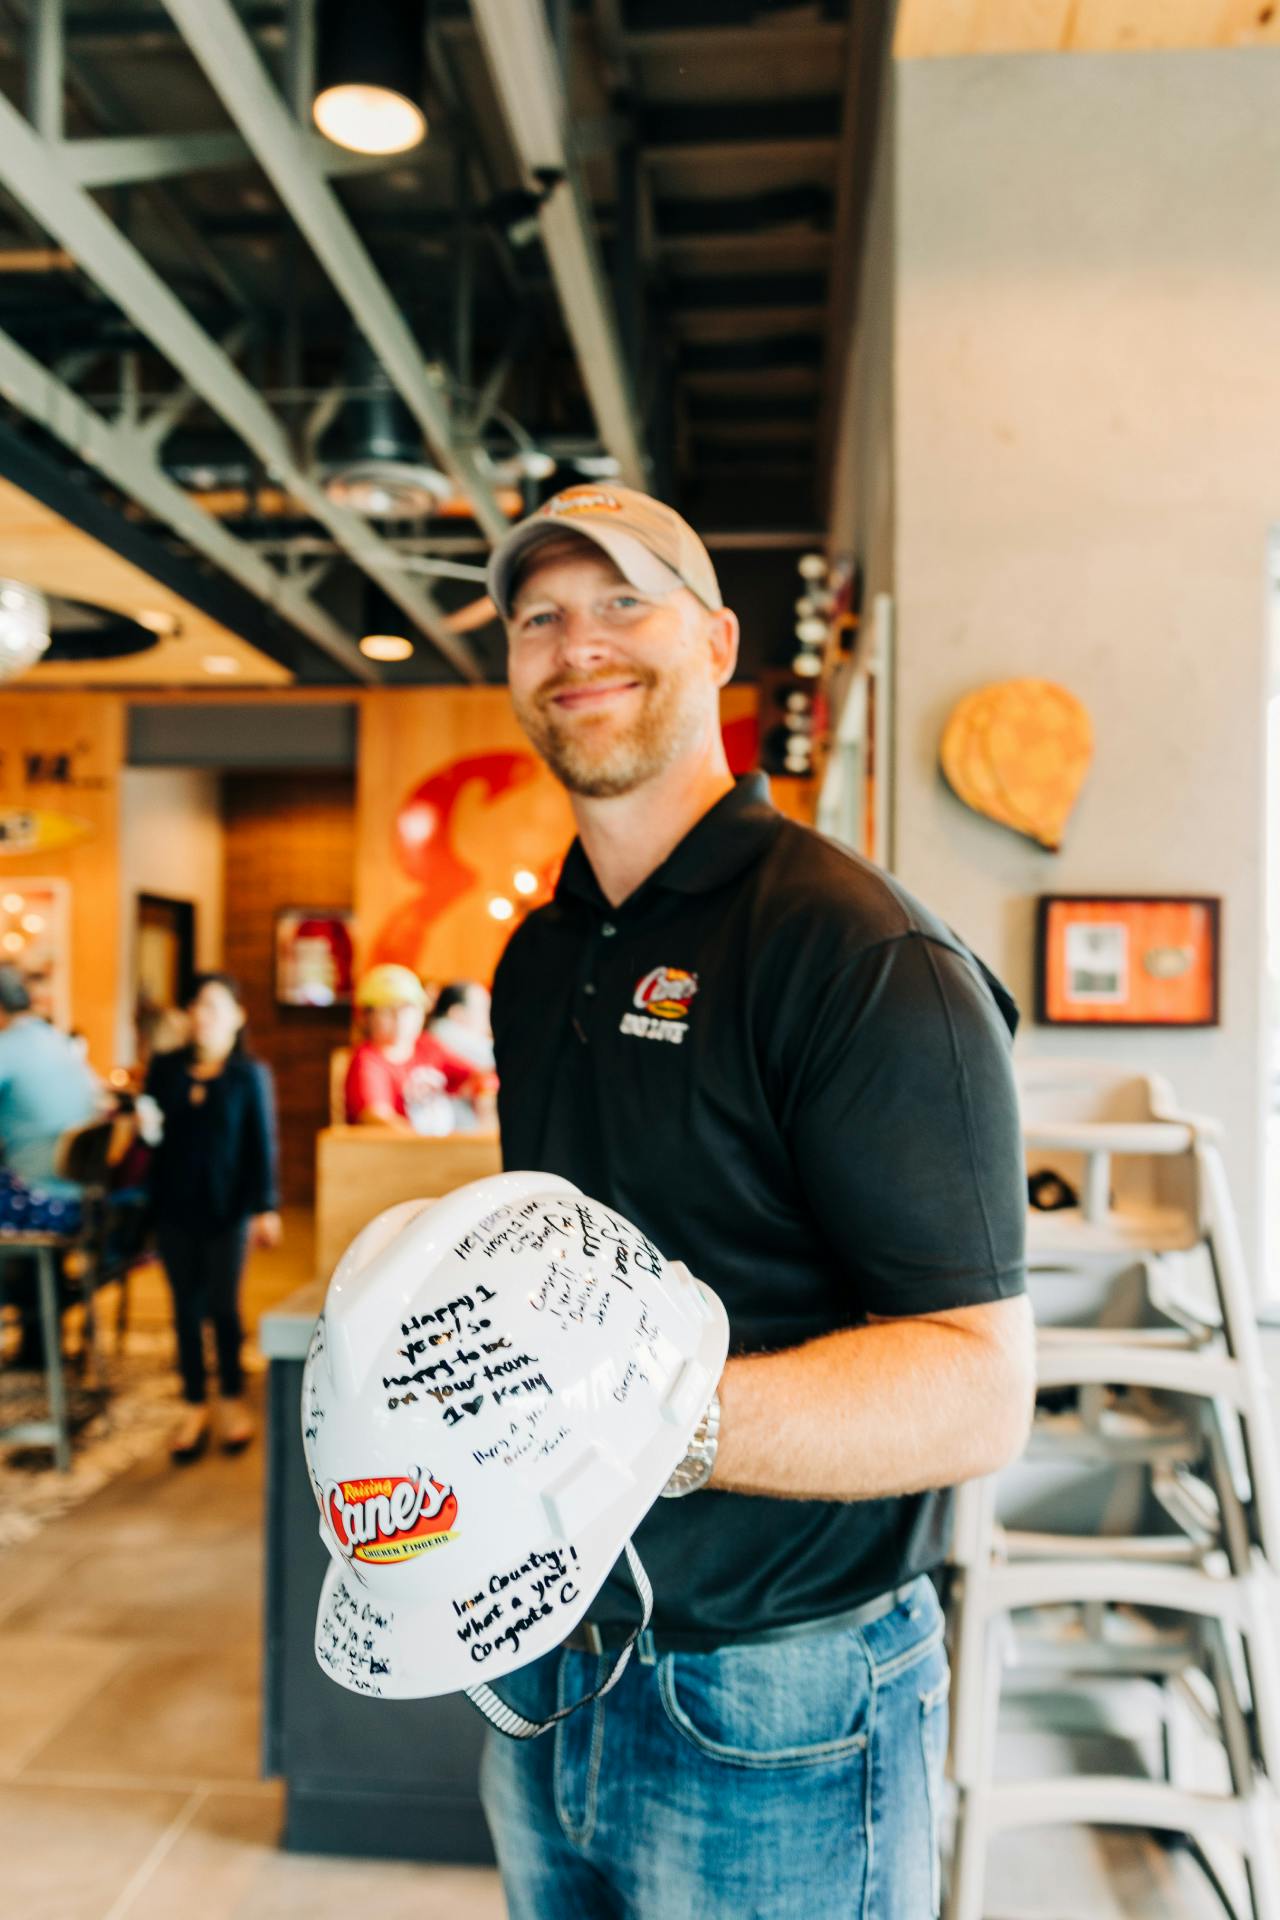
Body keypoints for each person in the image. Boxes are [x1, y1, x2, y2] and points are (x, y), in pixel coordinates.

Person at [478, 485, 1036, 1918]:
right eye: (538, 614)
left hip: (780, 1695)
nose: (575, 643)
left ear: (719, 640)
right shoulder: (540, 963)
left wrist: (643, 1423)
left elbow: (977, 1391)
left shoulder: (859, 953)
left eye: (621, 602)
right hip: (545, 1661)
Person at [144, 972, 280, 1461]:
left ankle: (231, 1398)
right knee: (184, 1307)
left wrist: (266, 1206)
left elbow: (261, 1144)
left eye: (215, 1007)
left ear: (237, 1018)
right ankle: (194, 1402)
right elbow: (153, 1140)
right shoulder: (166, 1069)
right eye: (198, 1006)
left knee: (223, 1304)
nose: (203, 1016)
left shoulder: (249, 1075)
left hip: (229, 1208)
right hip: (174, 1206)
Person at [0, 964, 101, 1367]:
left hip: (41, 1203)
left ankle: (27, 1314)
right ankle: (36, 1337)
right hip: (81, 1199)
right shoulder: (56, 1040)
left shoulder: (9, 1046)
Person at [343, 963, 471, 1135]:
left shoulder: (428, 1046)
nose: (399, 1018)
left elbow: (476, 1079)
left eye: (407, 1009)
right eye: (387, 1010)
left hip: (438, 1152)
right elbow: (375, 1117)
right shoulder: (367, 1060)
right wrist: (427, 1146)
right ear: (365, 1017)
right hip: (393, 1156)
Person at [428, 981, 498, 1130]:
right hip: (456, 1130)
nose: (491, 1015)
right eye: (484, 1009)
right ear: (457, 1013)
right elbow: (499, 1057)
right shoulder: (444, 1031)